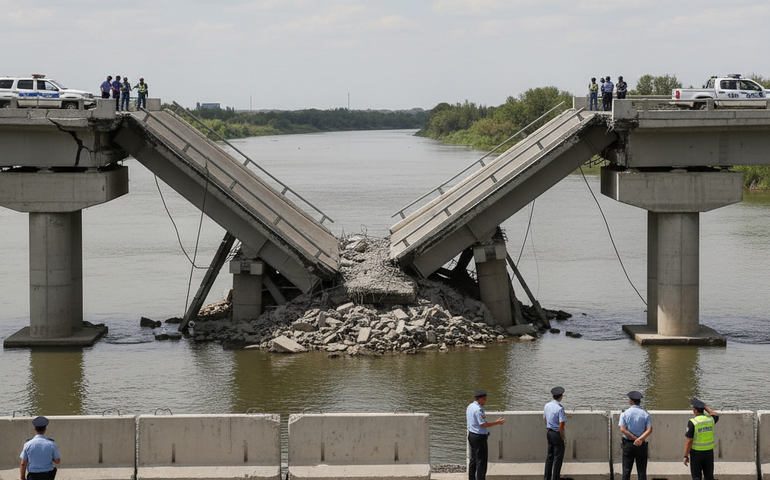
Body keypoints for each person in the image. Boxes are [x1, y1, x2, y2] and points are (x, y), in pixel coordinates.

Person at [466, 389, 505, 480]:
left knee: (473, 460)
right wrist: (497, 423)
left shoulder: (470, 406)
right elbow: (483, 424)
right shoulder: (479, 409)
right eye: (484, 399)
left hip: (471, 435)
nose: (485, 401)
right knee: (481, 462)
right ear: (479, 399)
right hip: (479, 438)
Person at [618, 391, 652, 480]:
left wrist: (634, 438)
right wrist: (639, 439)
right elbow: (649, 430)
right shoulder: (646, 414)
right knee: (642, 471)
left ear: (630, 401)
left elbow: (623, 429)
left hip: (628, 444)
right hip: (641, 445)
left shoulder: (624, 413)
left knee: (626, 470)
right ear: (639, 401)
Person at [683, 398, 719, 480]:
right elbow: (715, 414)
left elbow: (689, 441)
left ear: (694, 410)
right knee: (709, 476)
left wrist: (685, 456)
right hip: (709, 453)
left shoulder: (693, 422)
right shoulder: (710, 419)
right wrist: (705, 407)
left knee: (696, 477)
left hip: (697, 454)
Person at [544, 386, 566, 480]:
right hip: (557, 435)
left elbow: (545, 419)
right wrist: (563, 438)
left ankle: (546, 478)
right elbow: (561, 426)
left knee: (549, 457)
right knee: (558, 459)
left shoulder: (547, 405)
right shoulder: (560, 408)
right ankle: (555, 478)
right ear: (560, 397)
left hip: (549, 433)